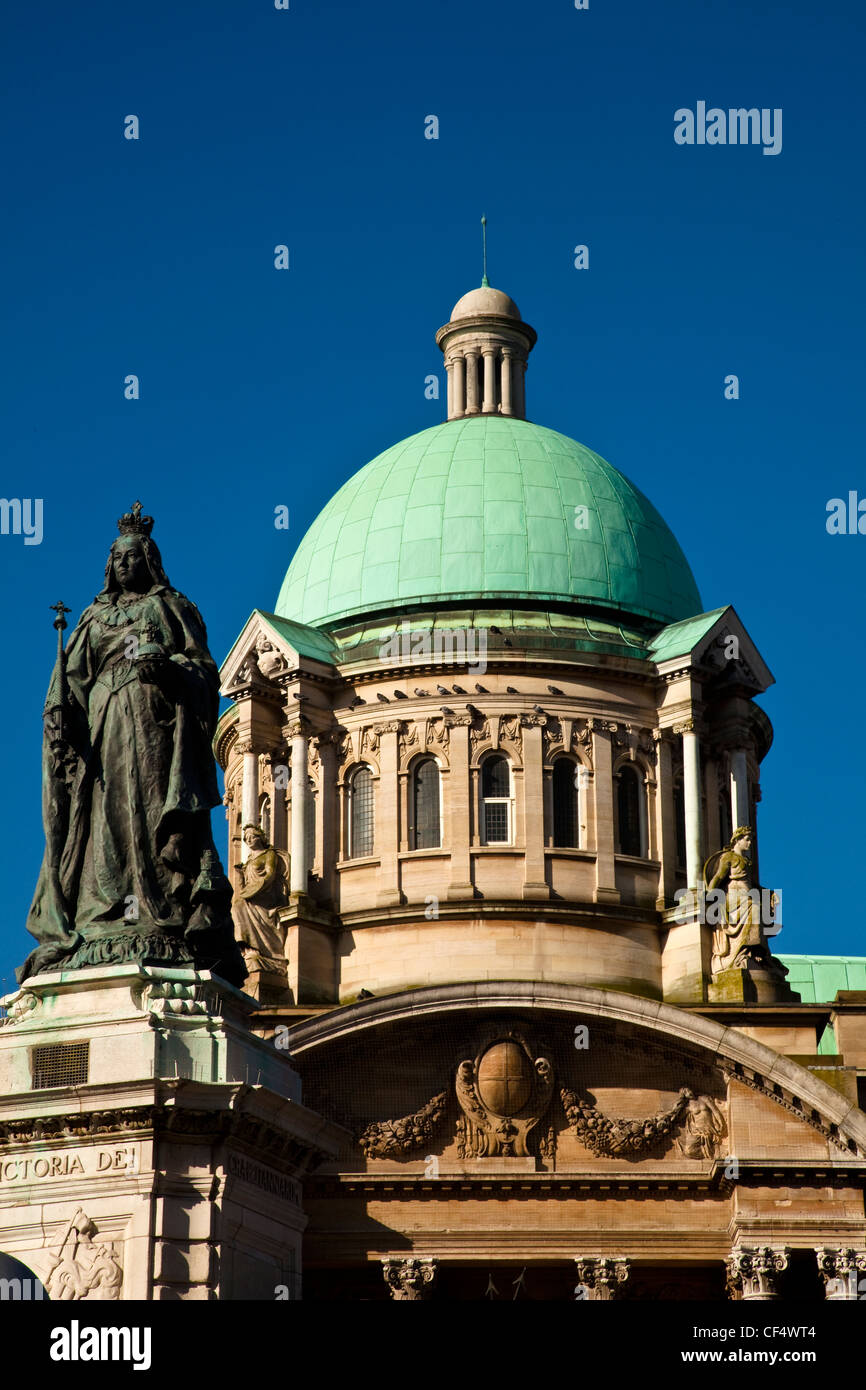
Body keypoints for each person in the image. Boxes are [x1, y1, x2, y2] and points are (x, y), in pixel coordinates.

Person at [21, 502, 245, 986]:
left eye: (132, 556)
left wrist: (167, 668)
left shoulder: (173, 607)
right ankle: (103, 919)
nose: (124, 564)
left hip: (157, 731)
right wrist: (61, 715)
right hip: (103, 734)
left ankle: (160, 914)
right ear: (110, 565)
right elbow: (70, 684)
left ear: (148, 559)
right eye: (117, 558)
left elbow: (206, 672)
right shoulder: (92, 617)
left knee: (149, 818)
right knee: (105, 823)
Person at [233, 824, 288, 963]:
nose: (249, 840)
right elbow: (243, 887)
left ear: (261, 838)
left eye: (252, 836)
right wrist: (240, 874)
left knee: (240, 906)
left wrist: (257, 889)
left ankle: (261, 949)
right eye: (246, 838)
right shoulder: (250, 859)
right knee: (237, 907)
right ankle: (249, 948)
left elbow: (270, 875)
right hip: (251, 895)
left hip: (265, 893)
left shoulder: (269, 854)